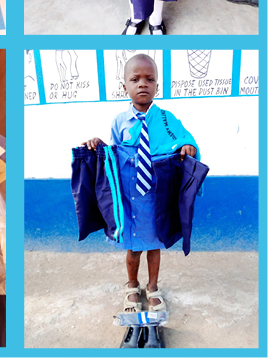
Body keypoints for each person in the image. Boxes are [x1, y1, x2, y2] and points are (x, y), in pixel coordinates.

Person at [82, 54, 197, 315]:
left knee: (154, 247)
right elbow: (112, 156)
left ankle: (153, 287)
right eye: (135, 79)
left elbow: (183, 140)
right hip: (130, 200)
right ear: (125, 87)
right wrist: (99, 146)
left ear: (158, 86)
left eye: (150, 79)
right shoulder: (119, 122)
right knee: (133, 250)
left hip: (156, 199)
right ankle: (132, 285)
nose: (142, 84)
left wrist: (188, 146)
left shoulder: (167, 120)